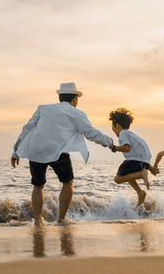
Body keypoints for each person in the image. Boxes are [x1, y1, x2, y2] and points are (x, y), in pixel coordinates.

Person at [11, 82, 114, 226]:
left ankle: (37, 220)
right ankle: (60, 218)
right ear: (74, 99)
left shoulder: (43, 108)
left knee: (38, 185)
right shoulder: (76, 113)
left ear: (60, 97)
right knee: (67, 182)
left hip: (36, 150)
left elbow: (27, 128)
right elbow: (90, 133)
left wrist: (15, 151)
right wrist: (109, 142)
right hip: (58, 151)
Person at [108, 108, 157, 207]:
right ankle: (140, 192)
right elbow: (143, 156)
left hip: (135, 160)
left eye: (112, 127)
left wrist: (114, 148)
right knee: (128, 174)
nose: (113, 130)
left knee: (117, 179)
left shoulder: (123, 134)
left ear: (116, 125)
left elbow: (126, 148)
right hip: (142, 160)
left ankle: (140, 174)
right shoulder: (132, 135)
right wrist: (151, 169)